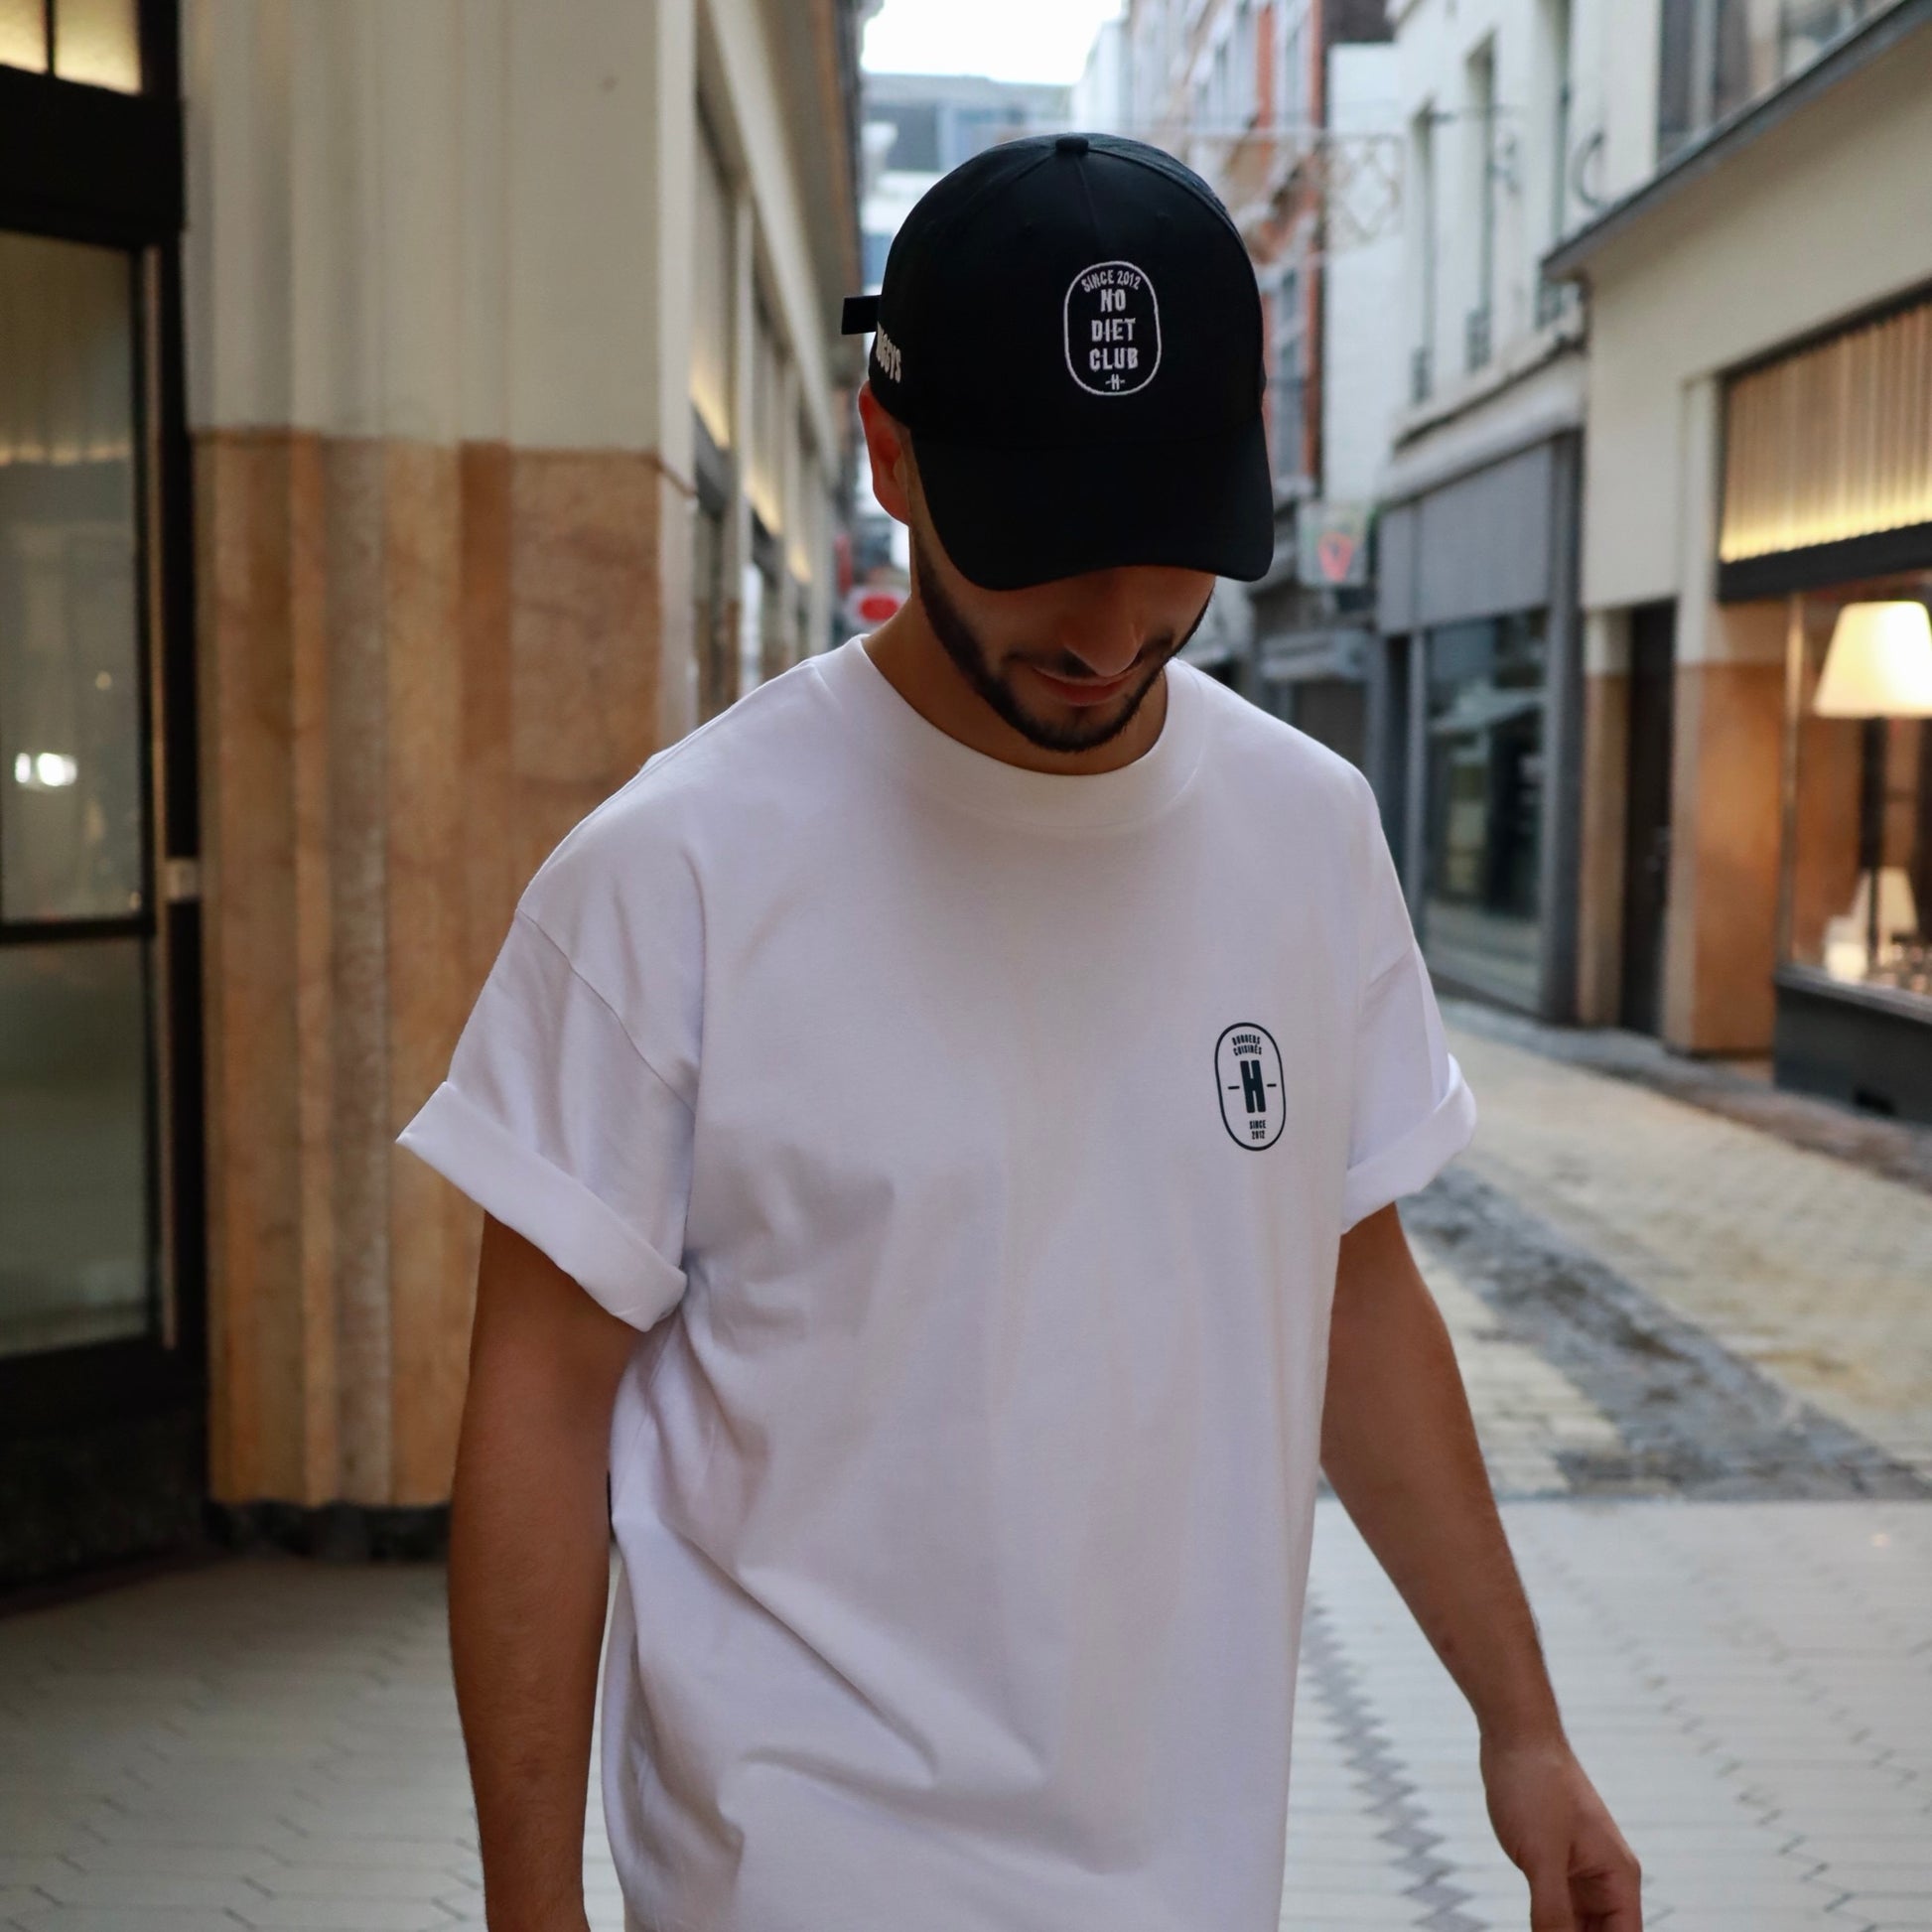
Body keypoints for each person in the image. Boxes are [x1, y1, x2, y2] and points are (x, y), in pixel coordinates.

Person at [398, 133, 1642, 1932]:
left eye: (1166, 544)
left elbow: (1354, 1298)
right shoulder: (672, 875)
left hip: (1191, 1864)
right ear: (889, 453)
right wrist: (533, 1906)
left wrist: (1519, 1726)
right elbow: (537, 1401)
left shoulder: (1304, 835)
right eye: (1046, 539)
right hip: (797, 1870)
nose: (1112, 625)